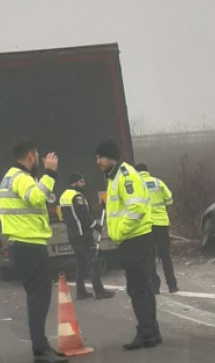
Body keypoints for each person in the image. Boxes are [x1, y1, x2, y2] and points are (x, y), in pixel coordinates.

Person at [0, 140, 68, 363]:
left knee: (38, 298)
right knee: (39, 299)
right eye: (37, 156)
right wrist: (50, 173)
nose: (38, 159)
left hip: (25, 244)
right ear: (30, 156)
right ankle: (40, 349)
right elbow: (36, 198)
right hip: (28, 246)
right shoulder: (20, 177)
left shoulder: (11, 177)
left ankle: (42, 345)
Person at [95, 139, 161, 350]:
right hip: (132, 240)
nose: (97, 162)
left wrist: (120, 231)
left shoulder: (125, 176)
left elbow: (137, 209)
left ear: (110, 157)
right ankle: (151, 330)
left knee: (138, 288)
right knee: (141, 287)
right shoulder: (113, 178)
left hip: (135, 240)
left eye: (100, 157)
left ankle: (147, 333)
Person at [59, 173, 115, 300]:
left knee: (81, 262)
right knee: (93, 261)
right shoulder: (77, 197)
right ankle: (99, 290)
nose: (83, 184)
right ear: (74, 183)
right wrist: (97, 227)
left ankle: (80, 291)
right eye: (81, 182)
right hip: (82, 234)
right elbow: (83, 216)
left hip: (72, 234)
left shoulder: (64, 196)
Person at [136, 163, 179, 294]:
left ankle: (155, 286)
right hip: (161, 223)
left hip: (146, 225)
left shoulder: (136, 185)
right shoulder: (158, 182)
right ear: (147, 171)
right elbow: (169, 199)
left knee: (149, 256)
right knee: (165, 255)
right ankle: (172, 285)